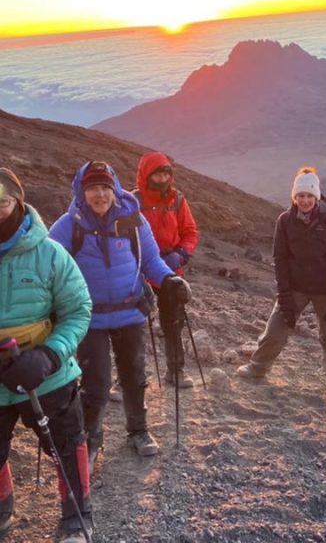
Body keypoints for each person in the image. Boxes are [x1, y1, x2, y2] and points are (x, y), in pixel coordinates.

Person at [49, 161, 191, 473]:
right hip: (90, 318)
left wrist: (169, 281)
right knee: (96, 384)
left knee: (134, 377)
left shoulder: (133, 218)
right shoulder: (69, 224)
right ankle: (90, 437)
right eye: (92, 188)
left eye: (104, 187)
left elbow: (151, 259)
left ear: (114, 189)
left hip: (131, 312)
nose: (99, 194)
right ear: (81, 191)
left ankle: (137, 430)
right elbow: (48, 263)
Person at [0, 168, 93, 542]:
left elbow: (78, 309)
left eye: (3, 202)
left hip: (48, 373)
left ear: (19, 201)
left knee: (67, 444)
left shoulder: (50, 254)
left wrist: (50, 356)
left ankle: (76, 514)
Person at [237, 167, 326, 399]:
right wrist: (284, 292)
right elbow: (280, 257)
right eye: (300, 196)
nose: (305, 200)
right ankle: (258, 367)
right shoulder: (285, 221)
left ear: (316, 197)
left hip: (324, 288)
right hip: (296, 285)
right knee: (275, 329)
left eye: (309, 196)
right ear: (294, 197)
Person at [134, 152, 199, 388]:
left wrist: (181, 254)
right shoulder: (133, 202)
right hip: (140, 272)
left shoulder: (178, 201)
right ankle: (129, 377)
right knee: (134, 325)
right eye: (157, 174)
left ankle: (176, 371)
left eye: (165, 174)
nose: (162, 179)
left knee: (173, 322)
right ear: (146, 174)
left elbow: (190, 232)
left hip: (171, 271)